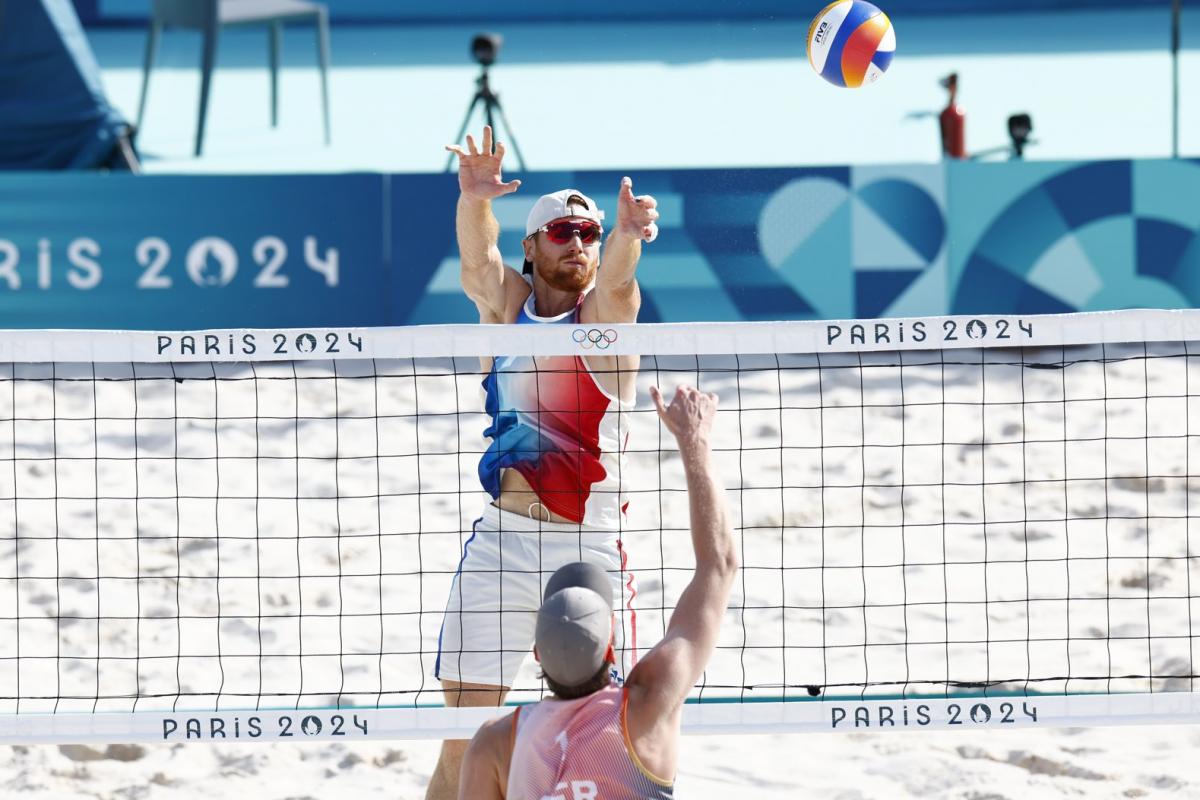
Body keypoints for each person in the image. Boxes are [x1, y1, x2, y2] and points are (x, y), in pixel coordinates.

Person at [427, 126, 661, 800]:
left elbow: (619, 277)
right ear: (531, 248)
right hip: (501, 542)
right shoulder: (505, 311)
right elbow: (478, 259)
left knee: (611, 745)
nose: (580, 243)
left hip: (586, 551)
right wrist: (474, 197)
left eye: (588, 233)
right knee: (462, 744)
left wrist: (624, 236)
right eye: (564, 231)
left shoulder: (606, 321)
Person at [458, 383, 738, 799]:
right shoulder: (646, 708)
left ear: (537, 654)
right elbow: (718, 567)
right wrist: (694, 440)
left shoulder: (496, 743)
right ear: (611, 648)